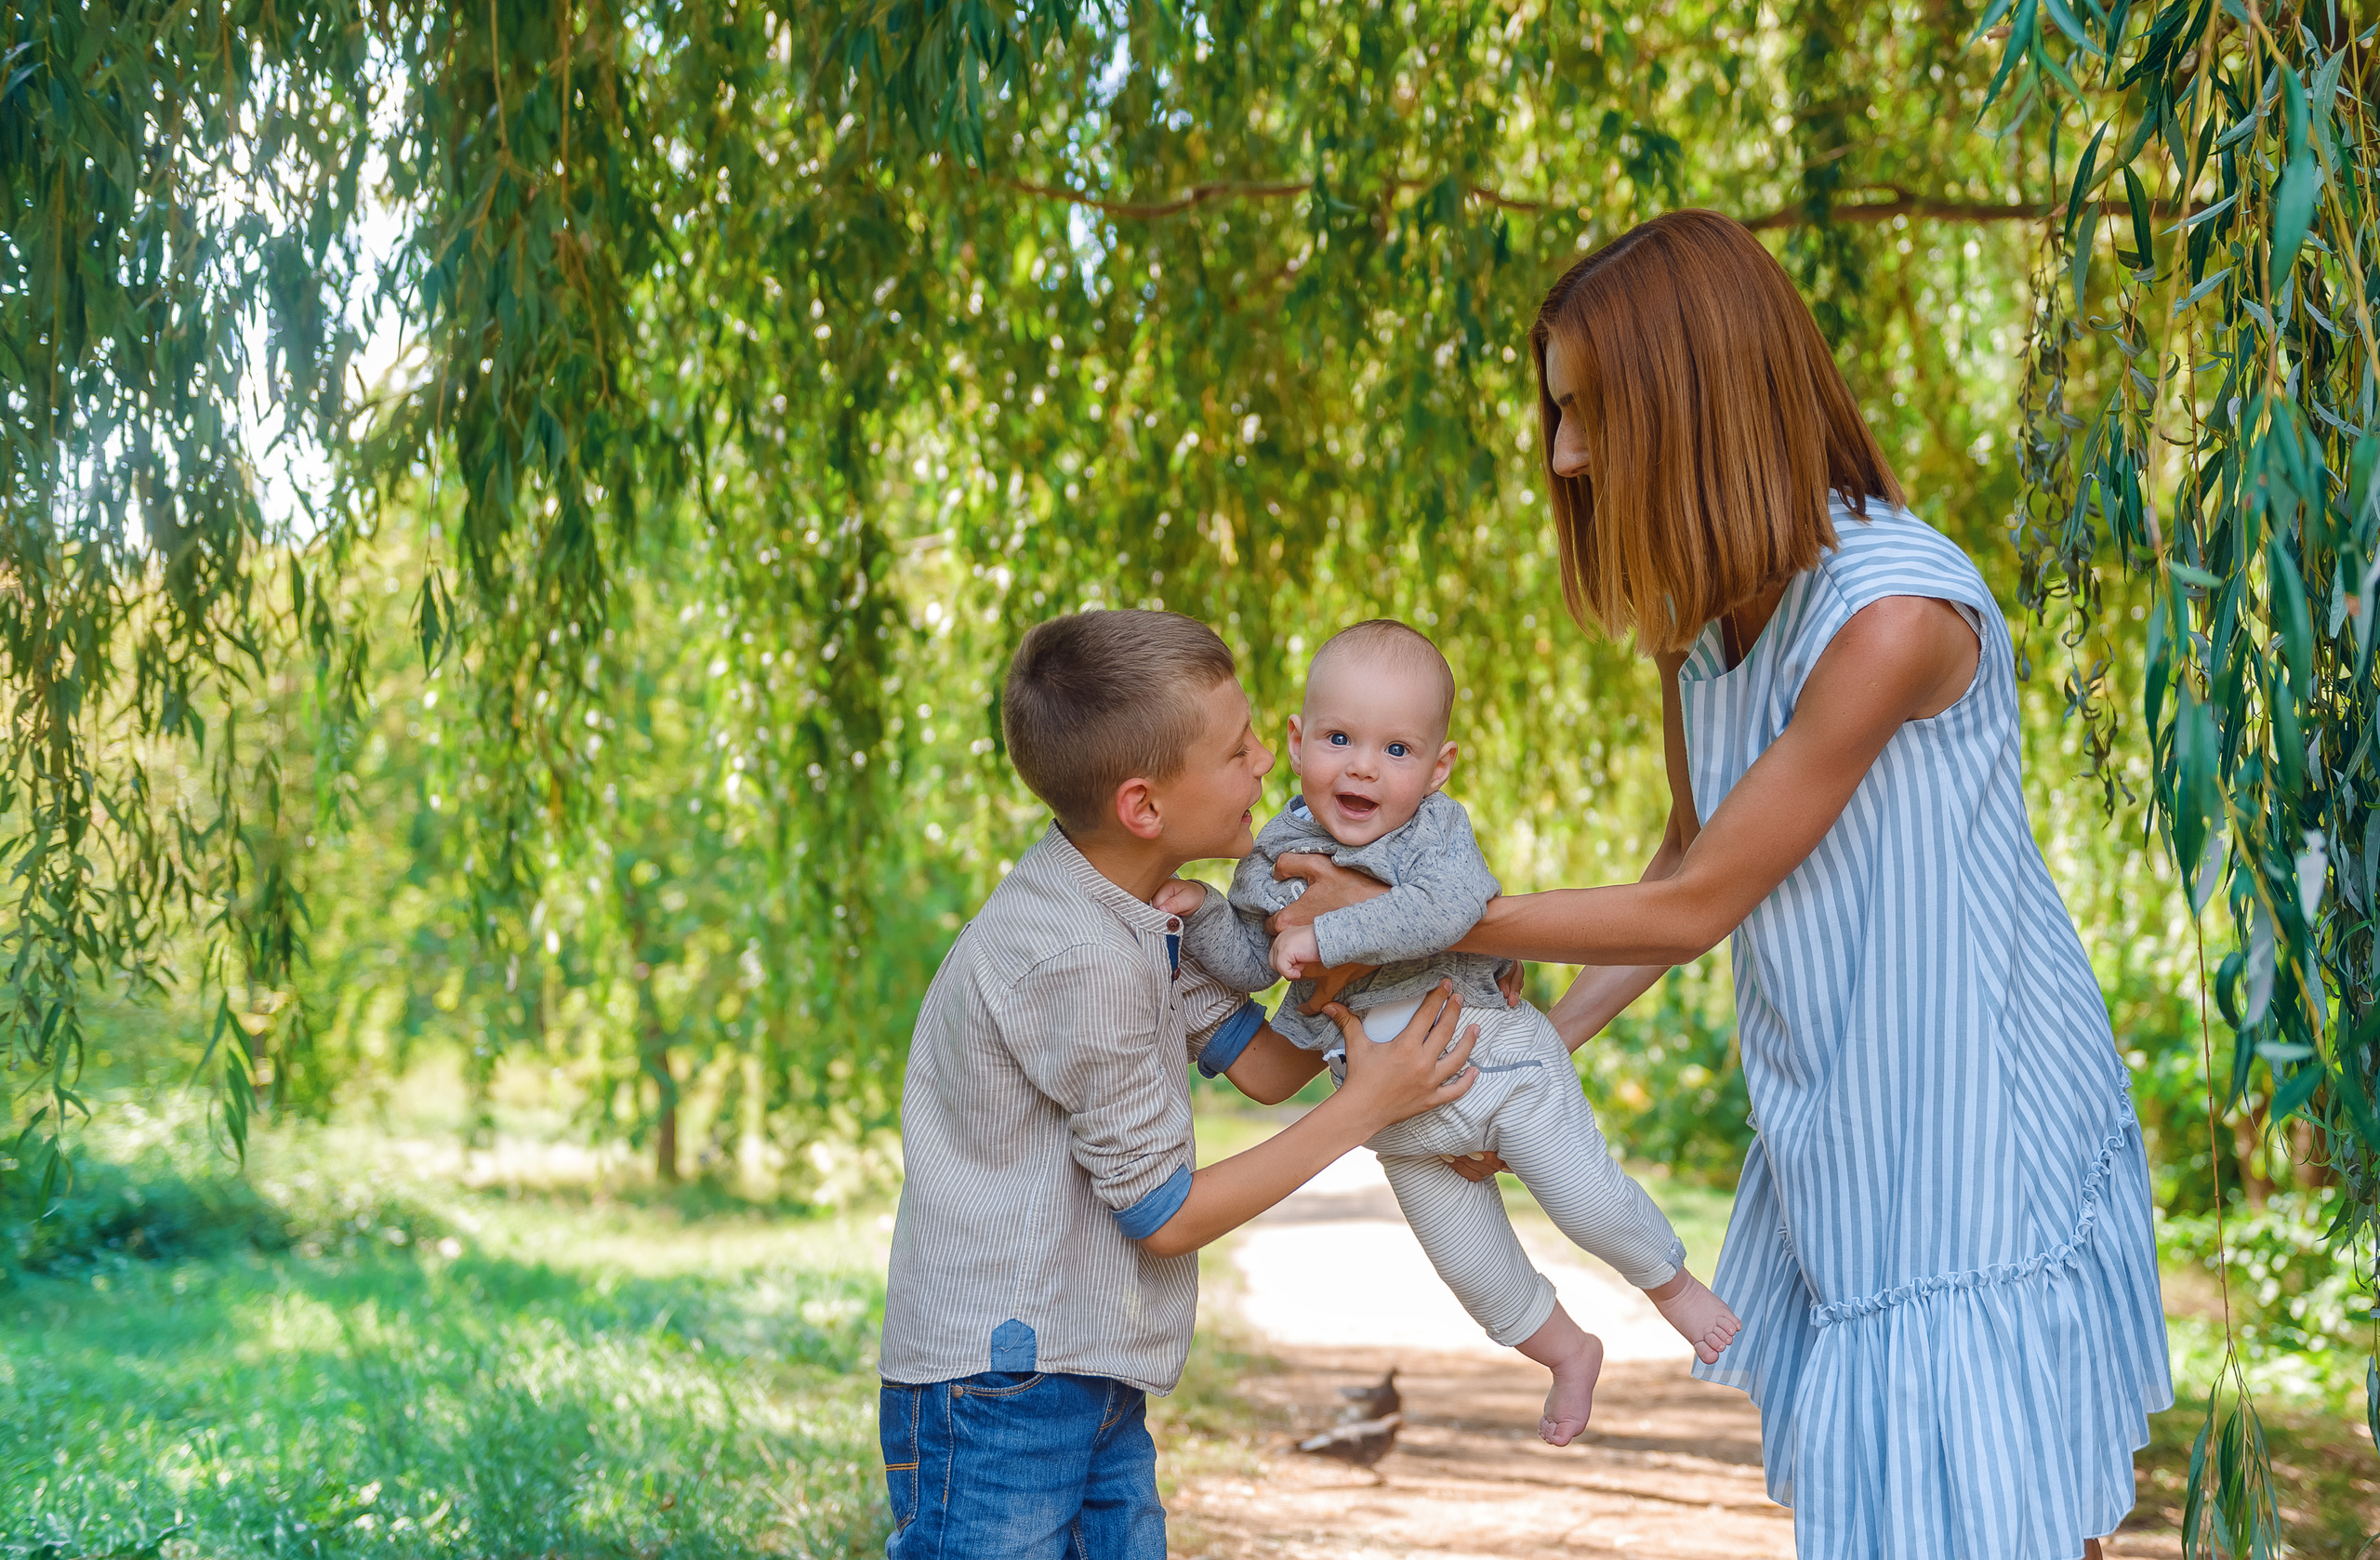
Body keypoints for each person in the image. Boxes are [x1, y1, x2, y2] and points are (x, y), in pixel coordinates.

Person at [1272, 210, 2171, 1559]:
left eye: (1586, 415)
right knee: (1914, 1513)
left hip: (1973, 1116)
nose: (1564, 453)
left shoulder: (1891, 618)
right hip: (1837, 1120)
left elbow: (1703, 908)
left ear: (1694, 401)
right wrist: (1523, 1058)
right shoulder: (1706, 626)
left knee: (2000, 1511)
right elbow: (1682, 859)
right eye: (1558, 416)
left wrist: (1393, 913)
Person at [878, 608, 1482, 1560]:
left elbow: (1269, 1068)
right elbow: (1164, 1214)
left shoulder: (1141, 910)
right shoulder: (1080, 954)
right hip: (1000, 1387)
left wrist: (1380, 957)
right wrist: (1365, 1106)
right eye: (1239, 749)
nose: (1263, 765)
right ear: (1144, 806)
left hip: (1079, 1360)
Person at [1165, 616, 1739, 1446]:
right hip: (1402, 1122)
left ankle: (1673, 1288)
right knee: (1476, 1275)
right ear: (1297, 743)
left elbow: (1451, 911)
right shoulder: (1272, 854)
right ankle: (1567, 1352)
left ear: (1438, 768)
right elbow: (1258, 963)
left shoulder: (1436, 834)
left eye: (1398, 751)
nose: (1363, 765)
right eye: (1339, 738)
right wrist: (1208, 913)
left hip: (1496, 1061)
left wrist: (1326, 936)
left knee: (1584, 1202)